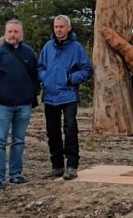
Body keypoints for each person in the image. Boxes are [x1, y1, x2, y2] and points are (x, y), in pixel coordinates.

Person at [37, 15, 93, 180]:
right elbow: (40, 66)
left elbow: (87, 70)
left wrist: (70, 79)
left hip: (68, 96)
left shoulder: (76, 48)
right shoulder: (48, 47)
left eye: (62, 27)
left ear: (69, 28)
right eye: (56, 27)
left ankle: (72, 165)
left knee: (70, 131)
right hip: (50, 96)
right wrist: (45, 77)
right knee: (52, 132)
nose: (59, 30)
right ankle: (57, 166)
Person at [0, 19, 40, 188]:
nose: (12, 35)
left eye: (16, 31)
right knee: (0, 142)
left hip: (23, 105)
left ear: (21, 33)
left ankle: (16, 174)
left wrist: (31, 93)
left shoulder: (28, 53)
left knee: (19, 141)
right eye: (9, 31)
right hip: (2, 105)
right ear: (5, 33)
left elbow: (35, 75)